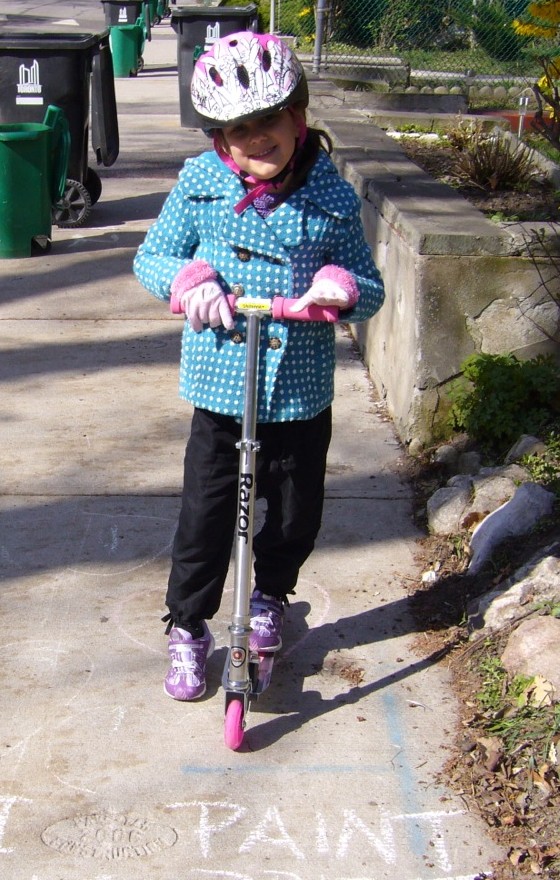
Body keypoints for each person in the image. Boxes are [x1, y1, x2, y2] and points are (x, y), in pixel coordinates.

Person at [133, 31, 385, 701]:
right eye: (237, 130)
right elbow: (152, 257)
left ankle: (272, 593)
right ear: (219, 139)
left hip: (299, 387)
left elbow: (371, 284)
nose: (255, 139)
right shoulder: (201, 183)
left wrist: (339, 286)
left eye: (268, 121)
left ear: (297, 117)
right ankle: (188, 626)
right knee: (207, 516)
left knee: (295, 513)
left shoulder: (329, 193)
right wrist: (189, 282)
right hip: (221, 383)